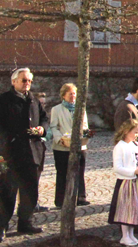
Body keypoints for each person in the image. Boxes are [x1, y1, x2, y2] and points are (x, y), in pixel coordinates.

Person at [0, 68, 48, 237]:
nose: (27, 83)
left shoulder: (34, 100)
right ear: (14, 82)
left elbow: (44, 118)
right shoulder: (4, 100)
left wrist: (42, 128)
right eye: (23, 80)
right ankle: (2, 226)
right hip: (12, 154)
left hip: (32, 153)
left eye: (29, 81)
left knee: (30, 192)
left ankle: (25, 223)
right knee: (7, 193)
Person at [108, 119, 138, 246]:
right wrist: (133, 172)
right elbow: (117, 168)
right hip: (126, 182)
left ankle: (131, 235)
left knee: (135, 210)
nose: (137, 135)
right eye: (135, 132)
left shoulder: (136, 145)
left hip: (137, 182)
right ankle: (125, 235)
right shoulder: (120, 147)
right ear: (126, 131)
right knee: (126, 211)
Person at [50, 83, 90, 208]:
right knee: (62, 173)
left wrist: (85, 134)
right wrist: (60, 139)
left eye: (74, 93)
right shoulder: (56, 109)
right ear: (63, 96)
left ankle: (81, 197)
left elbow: (85, 126)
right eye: (70, 94)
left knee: (79, 171)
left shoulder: (81, 108)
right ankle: (60, 200)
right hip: (62, 147)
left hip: (79, 146)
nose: (73, 96)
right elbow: (53, 127)